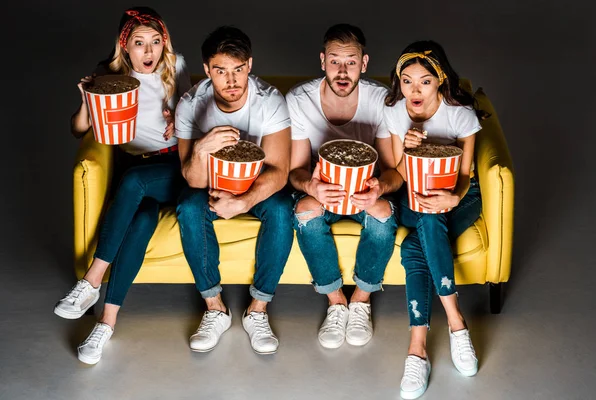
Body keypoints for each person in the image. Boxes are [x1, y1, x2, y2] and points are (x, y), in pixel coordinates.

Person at [53, 6, 191, 365]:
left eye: (156, 42)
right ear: (124, 46)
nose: (149, 52)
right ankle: (106, 323)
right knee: (142, 221)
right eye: (139, 43)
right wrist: (87, 97)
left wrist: (179, 120)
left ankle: (91, 280)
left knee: (132, 181)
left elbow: (196, 117)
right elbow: (78, 129)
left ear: (165, 44)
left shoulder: (175, 69)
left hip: (173, 166)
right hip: (134, 168)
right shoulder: (108, 74)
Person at [174, 26, 293, 355]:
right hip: (209, 184)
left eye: (238, 70)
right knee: (187, 206)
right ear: (207, 69)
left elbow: (280, 171)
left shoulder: (270, 100)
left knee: (283, 208)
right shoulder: (191, 104)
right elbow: (193, 180)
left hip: (255, 184)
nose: (231, 81)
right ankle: (215, 308)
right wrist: (201, 150)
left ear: (250, 65)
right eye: (221, 71)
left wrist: (243, 201)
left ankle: (258, 309)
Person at [286, 24, 402, 349]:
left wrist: (378, 189)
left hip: (366, 193)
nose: (342, 71)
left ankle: (361, 300)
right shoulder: (299, 99)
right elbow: (295, 171)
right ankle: (336, 302)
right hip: (322, 191)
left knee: (380, 213)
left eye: (350, 62)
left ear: (364, 64)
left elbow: (394, 171)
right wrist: (311, 187)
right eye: (335, 61)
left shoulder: (381, 100)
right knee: (305, 210)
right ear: (322, 61)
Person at [384, 40, 484, 399]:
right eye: (407, 80)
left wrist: (453, 198)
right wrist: (409, 151)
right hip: (416, 194)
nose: (415, 89)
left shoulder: (460, 115)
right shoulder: (395, 112)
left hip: (461, 197)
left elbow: (466, 175)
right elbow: (398, 173)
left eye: (424, 81)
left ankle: (419, 346)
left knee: (416, 244)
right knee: (425, 217)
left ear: (439, 81)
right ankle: (457, 324)